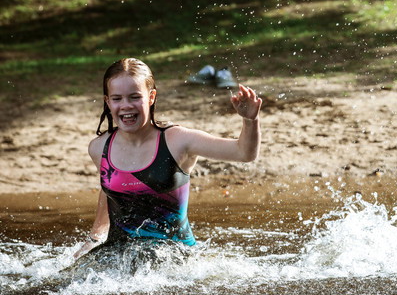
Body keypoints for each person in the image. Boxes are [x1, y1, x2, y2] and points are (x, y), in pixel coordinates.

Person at [73, 58, 262, 261]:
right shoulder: (99, 147)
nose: (126, 105)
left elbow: (244, 153)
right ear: (108, 101)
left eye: (135, 97)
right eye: (117, 98)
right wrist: (94, 239)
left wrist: (250, 120)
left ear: (151, 97)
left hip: (174, 259)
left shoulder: (178, 141)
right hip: (118, 257)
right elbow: (109, 192)